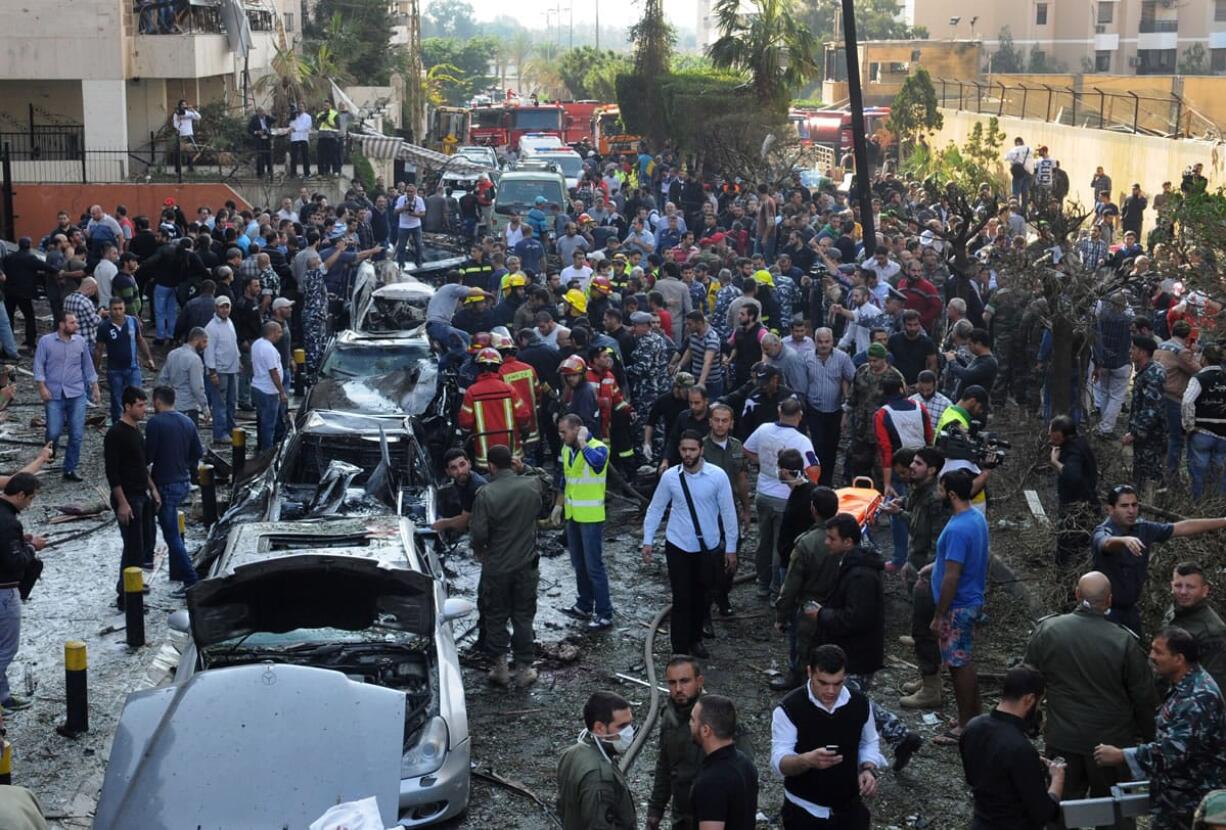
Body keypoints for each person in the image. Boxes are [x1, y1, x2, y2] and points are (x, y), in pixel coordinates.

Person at [1024, 572, 1157, 815]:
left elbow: (1027, 683)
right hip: (1110, 747)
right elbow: (1144, 698)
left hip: (1063, 740)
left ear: (1076, 594)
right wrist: (1151, 743)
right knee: (1115, 812)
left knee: (1059, 810)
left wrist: (1029, 724)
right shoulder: (1124, 641)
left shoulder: (1048, 630)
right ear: (1109, 600)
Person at [812, 514, 923, 772]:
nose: (826, 542)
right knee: (850, 700)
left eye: (832, 538)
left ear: (849, 541)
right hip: (854, 652)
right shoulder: (852, 565)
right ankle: (901, 737)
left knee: (847, 701)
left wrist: (821, 615)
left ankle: (858, 756)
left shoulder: (860, 574)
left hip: (856, 655)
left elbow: (857, 618)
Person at [1094, 627, 1226, 830]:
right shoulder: (1182, 686)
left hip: (1191, 802)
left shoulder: (1199, 696)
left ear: (1179, 659)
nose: (1152, 656)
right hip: (1174, 798)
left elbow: (1174, 750)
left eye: (1158, 652)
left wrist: (1123, 755)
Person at [643, 431, 740, 658]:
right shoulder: (671, 477)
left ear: (701, 450)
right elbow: (656, 507)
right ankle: (679, 647)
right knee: (681, 597)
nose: (688, 454)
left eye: (692, 450)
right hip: (678, 545)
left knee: (702, 596)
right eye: (684, 449)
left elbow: (728, 512)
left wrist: (731, 548)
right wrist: (647, 540)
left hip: (708, 548)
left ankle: (695, 639)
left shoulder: (717, 477)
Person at [771, 644, 884, 829]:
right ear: (810, 673)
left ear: (845, 676)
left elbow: (869, 742)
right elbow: (778, 762)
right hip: (804, 810)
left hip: (849, 808)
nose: (831, 691)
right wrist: (806, 760)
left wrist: (868, 768)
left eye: (837, 683)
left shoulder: (860, 703)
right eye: (823, 683)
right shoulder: (789, 709)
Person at [1091, 484, 1226, 636]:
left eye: (1134, 505)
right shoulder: (1103, 531)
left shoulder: (1142, 528)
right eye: (1124, 506)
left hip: (1130, 611)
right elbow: (1106, 543)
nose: (1131, 510)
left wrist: (1223, 521)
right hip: (1106, 614)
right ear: (1110, 509)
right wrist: (1124, 541)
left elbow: (1181, 528)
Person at [468, 444, 551, 688]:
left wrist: (481, 551)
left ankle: (500, 668)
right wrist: (524, 467)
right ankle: (525, 669)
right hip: (526, 566)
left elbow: (479, 535)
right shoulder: (531, 485)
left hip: (496, 568)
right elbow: (548, 479)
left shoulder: (485, 493)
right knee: (523, 617)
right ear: (511, 462)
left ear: (491, 466)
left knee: (495, 616)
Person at [647, 657, 754, 830]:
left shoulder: (719, 716)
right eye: (672, 683)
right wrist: (655, 809)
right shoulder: (669, 716)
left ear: (699, 681)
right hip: (682, 817)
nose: (678, 689)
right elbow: (665, 764)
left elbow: (742, 773)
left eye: (685, 681)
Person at [958, 664, 1065, 830]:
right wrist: (1057, 779)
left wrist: (1028, 766)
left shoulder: (972, 727)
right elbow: (1044, 813)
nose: (1037, 708)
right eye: (1039, 703)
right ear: (1029, 699)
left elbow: (974, 778)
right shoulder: (1020, 748)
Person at [931, 468, 989, 743]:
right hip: (971, 600)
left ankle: (966, 726)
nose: (938, 494)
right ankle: (972, 715)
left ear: (952, 494)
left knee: (958, 665)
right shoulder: (975, 518)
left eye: (941, 490)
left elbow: (952, 575)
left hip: (958, 606)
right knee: (964, 661)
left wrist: (939, 614)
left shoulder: (956, 528)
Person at [744, 398, 821, 600]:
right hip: (784, 497)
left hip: (762, 493)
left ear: (780, 411)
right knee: (781, 544)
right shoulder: (801, 440)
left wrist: (764, 465)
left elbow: (747, 449)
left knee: (763, 541)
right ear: (800, 415)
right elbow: (813, 468)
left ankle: (762, 583)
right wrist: (805, 486)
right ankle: (776, 589)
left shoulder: (763, 429)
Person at [555, 414, 614, 630]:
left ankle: (605, 613)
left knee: (594, 566)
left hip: (590, 517)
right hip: (573, 515)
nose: (562, 437)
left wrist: (582, 442)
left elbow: (597, 464)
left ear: (577, 429)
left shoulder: (598, 447)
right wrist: (558, 506)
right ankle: (584, 604)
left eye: (565, 432)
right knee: (578, 564)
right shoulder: (566, 449)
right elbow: (565, 478)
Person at [145, 386, 203, 597]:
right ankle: (177, 573)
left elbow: (147, 456)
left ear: (157, 402)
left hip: (165, 485)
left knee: (172, 537)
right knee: (173, 531)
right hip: (184, 482)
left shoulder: (155, 424)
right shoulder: (187, 421)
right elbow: (198, 452)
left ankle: (190, 580)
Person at [105, 386, 158, 611]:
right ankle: (126, 598)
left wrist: (152, 489)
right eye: (140, 405)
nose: (144, 409)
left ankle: (128, 585)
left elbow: (142, 465)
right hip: (128, 498)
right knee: (133, 548)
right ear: (127, 406)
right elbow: (112, 472)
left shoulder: (136, 431)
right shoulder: (116, 434)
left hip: (141, 494)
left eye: (144, 404)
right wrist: (123, 503)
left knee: (145, 544)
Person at [556, 691, 637, 830]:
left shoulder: (571, 754)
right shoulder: (599, 776)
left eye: (630, 724)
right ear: (599, 728)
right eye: (622, 726)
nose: (629, 732)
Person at [34, 312, 99, 482]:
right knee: (54, 431)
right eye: (72, 322)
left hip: (76, 392)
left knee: (76, 433)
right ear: (62, 324)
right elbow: (39, 364)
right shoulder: (46, 342)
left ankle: (70, 468)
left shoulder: (80, 342)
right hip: (54, 393)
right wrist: (41, 386)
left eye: (75, 322)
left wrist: (95, 386)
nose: (76, 325)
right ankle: (50, 451)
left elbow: (88, 365)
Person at [0, 473, 45, 712]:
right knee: (6, 649)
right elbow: (14, 562)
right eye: (30, 499)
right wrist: (30, 547)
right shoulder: (8, 522)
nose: (30, 504)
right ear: (20, 495)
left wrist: (19, 541)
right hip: (4, 593)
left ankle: (3, 696)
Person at [689, 695, 760, 830]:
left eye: (693, 720)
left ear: (705, 730)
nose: (689, 724)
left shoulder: (711, 782)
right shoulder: (746, 764)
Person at [457, 347, 531, 467]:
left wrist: (466, 437)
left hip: (485, 455)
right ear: (498, 367)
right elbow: (523, 415)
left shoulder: (472, 392)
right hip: (510, 451)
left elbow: (466, 423)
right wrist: (524, 434)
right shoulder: (509, 389)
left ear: (479, 368)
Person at [806, 327, 856, 487]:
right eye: (820, 342)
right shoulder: (806, 358)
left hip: (835, 410)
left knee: (832, 446)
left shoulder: (842, 358)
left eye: (827, 341)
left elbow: (854, 379)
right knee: (817, 445)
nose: (823, 345)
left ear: (832, 341)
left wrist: (847, 406)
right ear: (815, 342)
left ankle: (827, 480)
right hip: (814, 409)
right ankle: (817, 479)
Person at [1165, 562, 1226, 690]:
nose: (1183, 592)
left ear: (1205, 590)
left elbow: (1212, 686)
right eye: (1178, 585)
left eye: (1190, 587)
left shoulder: (1212, 631)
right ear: (1171, 586)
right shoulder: (1174, 610)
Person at [1049, 415, 1100, 567]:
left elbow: (1073, 476)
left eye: (1050, 431)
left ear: (1058, 434)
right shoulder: (1079, 442)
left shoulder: (1073, 451)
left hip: (1077, 508)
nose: (1048, 434)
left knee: (1069, 546)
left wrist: (1055, 462)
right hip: (1085, 502)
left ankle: (1064, 577)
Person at [94, 296, 154, 425]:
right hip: (114, 370)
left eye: (120, 308)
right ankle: (118, 425)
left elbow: (140, 340)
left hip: (133, 368)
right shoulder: (104, 326)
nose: (118, 312)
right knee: (117, 399)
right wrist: (95, 371)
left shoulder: (132, 321)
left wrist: (148, 358)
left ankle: (134, 424)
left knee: (136, 397)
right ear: (110, 310)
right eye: (115, 309)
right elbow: (98, 349)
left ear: (124, 308)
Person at [1123, 335, 1166, 497]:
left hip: (1151, 436)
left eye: (1133, 348)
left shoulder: (1153, 374)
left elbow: (1151, 409)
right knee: (1140, 472)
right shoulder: (1146, 371)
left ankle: (1152, 505)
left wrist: (1134, 433)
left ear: (1143, 352)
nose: (1130, 351)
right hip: (1145, 436)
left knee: (1150, 475)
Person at [1182, 342, 1226, 498]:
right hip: (1223, 435)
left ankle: (1199, 506)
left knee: (1199, 473)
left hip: (1202, 432)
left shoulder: (1199, 378)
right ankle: (1218, 508)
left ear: (1204, 358)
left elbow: (1187, 401)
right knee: (1221, 474)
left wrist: (1188, 426)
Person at [203, 295, 239, 445]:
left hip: (232, 369)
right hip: (219, 370)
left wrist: (238, 358)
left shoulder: (229, 322)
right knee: (220, 403)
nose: (225, 310)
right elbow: (208, 351)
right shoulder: (211, 327)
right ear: (216, 308)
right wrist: (212, 372)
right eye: (222, 307)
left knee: (231, 401)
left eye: (227, 307)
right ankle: (220, 432)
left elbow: (233, 343)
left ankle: (230, 427)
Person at [157, 327, 209, 424]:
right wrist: (205, 407)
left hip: (171, 404)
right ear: (196, 340)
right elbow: (197, 387)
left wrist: (160, 401)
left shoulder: (172, 354)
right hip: (188, 407)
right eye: (204, 341)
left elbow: (162, 380)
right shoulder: (195, 359)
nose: (206, 345)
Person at [250, 321, 288, 451]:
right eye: (279, 332)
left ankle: (261, 447)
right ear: (272, 333)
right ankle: (267, 451)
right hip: (268, 391)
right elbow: (273, 372)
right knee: (268, 424)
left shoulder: (257, 344)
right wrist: (282, 391)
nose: (281, 335)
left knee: (261, 420)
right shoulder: (269, 349)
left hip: (257, 387)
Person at [431, 449, 487, 536]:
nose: (460, 471)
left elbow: (463, 522)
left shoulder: (475, 486)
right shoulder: (460, 482)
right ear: (448, 472)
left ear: (469, 464)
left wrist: (443, 523)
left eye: (462, 465)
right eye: (454, 468)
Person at [395, 184, 427, 267]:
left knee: (418, 245)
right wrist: (404, 208)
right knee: (401, 246)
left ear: (415, 192)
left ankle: (418, 262)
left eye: (411, 192)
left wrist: (415, 214)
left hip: (416, 225)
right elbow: (395, 212)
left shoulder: (419, 200)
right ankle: (401, 264)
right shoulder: (401, 199)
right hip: (403, 226)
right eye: (407, 191)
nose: (409, 193)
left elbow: (423, 213)